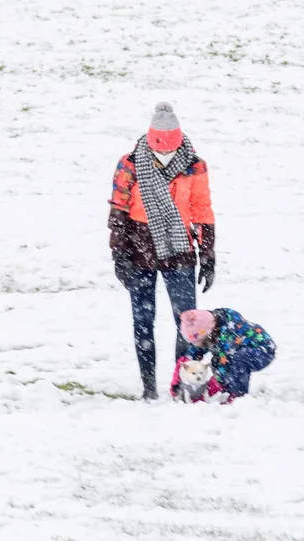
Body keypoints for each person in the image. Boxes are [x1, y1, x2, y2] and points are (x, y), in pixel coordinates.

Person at [108, 101, 216, 399]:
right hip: (138, 248)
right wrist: (119, 253)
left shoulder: (195, 165)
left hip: (179, 250)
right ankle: (148, 387)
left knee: (188, 322)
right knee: (143, 319)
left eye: (170, 149)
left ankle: (181, 383)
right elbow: (118, 209)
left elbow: (202, 209)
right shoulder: (130, 164)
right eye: (160, 149)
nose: (165, 154)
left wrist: (207, 254)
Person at [176, 307, 276, 401]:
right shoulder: (208, 326)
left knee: (236, 361)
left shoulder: (229, 331)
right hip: (236, 350)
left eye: (202, 341)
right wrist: (187, 361)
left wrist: (216, 383)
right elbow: (200, 347)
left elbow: (225, 361)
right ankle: (228, 388)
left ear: (210, 332)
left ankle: (237, 395)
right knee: (219, 360)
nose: (200, 345)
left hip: (262, 350)